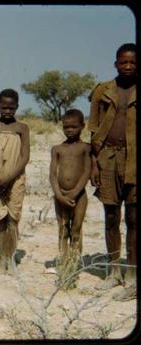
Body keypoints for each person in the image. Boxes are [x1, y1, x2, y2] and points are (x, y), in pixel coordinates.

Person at [88, 43, 136, 301]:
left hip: (135, 161)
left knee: (134, 219)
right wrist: (94, 163)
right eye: (123, 62)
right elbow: (93, 130)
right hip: (107, 157)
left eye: (133, 63)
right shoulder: (102, 91)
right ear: (115, 63)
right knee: (110, 216)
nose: (128, 67)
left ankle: (132, 274)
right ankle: (113, 271)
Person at [0, 89, 29, 274]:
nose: (8, 111)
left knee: (12, 219)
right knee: (0, 219)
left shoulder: (22, 128)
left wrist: (8, 179)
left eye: (11, 107)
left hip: (15, 179)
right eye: (4, 107)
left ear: (17, 107)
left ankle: (11, 258)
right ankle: (2, 258)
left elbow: (25, 156)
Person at [49, 109, 90, 276]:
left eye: (74, 127)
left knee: (76, 230)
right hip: (60, 195)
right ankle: (63, 263)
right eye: (66, 127)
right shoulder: (57, 149)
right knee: (63, 229)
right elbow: (52, 174)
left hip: (79, 196)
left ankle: (74, 264)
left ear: (82, 126)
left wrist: (74, 193)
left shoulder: (86, 148)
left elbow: (87, 171)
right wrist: (59, 195)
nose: (70, 130)